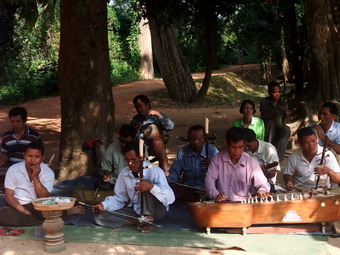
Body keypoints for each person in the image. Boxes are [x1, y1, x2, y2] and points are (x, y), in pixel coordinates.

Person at [91, 141, 175, 233]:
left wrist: (152, 187)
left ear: (142, 157)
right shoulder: (124, 173)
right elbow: (119, 198)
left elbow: (170, 198)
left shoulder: (155, 171)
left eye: (133, 159)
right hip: (136, 210)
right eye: (127, 160)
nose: (130, 163)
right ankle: (139, 221)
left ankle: (148, 219)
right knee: (99, 217)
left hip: (156, 211)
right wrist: (104, 205)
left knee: (146, 184)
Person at [0, 142, 85, 227]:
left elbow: (42, 196)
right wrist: (24, 211)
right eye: (30, 156)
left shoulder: (48, 172)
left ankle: (55, 215)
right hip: (17, 206)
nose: (33, 160)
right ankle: (49, 218)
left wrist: (35, 177)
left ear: (42, 158)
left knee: (47, 210)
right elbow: (9, 196)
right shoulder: (13, 169)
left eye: (37, 157)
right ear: (24, 156)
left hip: (39, 206)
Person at [205, 127, 270, 202]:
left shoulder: (251, 163)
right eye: (233, 147)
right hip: (222, 204)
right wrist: (216, 195)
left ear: (245, 144)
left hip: (244, 205)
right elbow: (209, 179)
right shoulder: (217, 160)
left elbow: (264, 184)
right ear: (226, 144)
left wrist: (262, 190)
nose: (237, 151)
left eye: (240, 147)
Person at [167, 125, 219, 203]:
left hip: (208, 190)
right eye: (192, 139)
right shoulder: (182, 153)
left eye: (199, 139)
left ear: (204, 139)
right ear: (188, 139)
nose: (195, 142)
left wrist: (214, 164)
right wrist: (169, 180)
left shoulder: (212, 151)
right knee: (169, 195)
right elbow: (175, 173)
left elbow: (222, 173)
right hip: (189, 189)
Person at [131, 94, 175, 174]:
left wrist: (159, 115)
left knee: (157, 141)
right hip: (139, 148)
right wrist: (135, 130)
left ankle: (164, 172)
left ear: (147, 104)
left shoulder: (156, 116)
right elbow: (130, 135)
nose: (138, 109)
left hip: (153, 149)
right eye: (136, 107)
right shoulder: (136, 119)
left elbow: (170, 126)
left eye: (140, 106)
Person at [0, 107, 42, 188]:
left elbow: (38, 156)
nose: (15, 124)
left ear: (25, 121)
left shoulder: (34, 136)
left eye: (18, 121)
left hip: (28, 166)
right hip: (11, 167)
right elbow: (5, 154)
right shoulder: (6, 137)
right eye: (12, 121)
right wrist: (2, 161)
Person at [260, 81, 291, 161]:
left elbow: (287, 115)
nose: (277, 94)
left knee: (286, 129)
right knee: (270, 123)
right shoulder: (264, 102)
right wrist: (279, 108)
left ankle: (278, 158)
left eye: (278, 92)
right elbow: (265, 115)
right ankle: (269, 153)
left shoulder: (283, 102)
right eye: (274, 92)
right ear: (269, 92)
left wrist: (287, 117)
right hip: (268, 127)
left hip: (279, 126)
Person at [99, 124, 136, 189]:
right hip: (116, 183)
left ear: (133, 139)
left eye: (127, 143)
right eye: (121, 141)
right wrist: (107, 175)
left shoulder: (139, 149)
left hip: (134, 183)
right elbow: (106, 167)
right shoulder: (113, 147)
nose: (124, 145)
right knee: (99, 184)